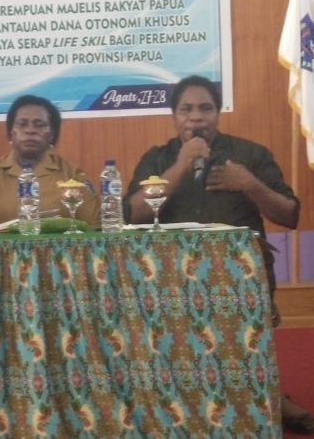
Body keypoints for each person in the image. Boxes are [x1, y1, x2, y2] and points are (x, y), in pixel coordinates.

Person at [123, 75, 313, 436]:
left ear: (217, 113)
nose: (196, 117)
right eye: (186, 109)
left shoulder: (250, 155)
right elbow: (133, 214)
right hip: (170, 280)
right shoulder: (158, 159)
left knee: (245, 354)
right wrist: (181, 164)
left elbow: (289, 215)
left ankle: (267, 400)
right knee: (174, 354)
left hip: (240, 277)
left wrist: (249, 184)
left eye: (205, 108)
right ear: (174, 116)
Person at [0, 94, 101, 229]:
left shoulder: (71, 174)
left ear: (52, 134)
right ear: (11, 131)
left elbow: (95, 225)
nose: (30, 130)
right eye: (22, 124)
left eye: (40, 125)